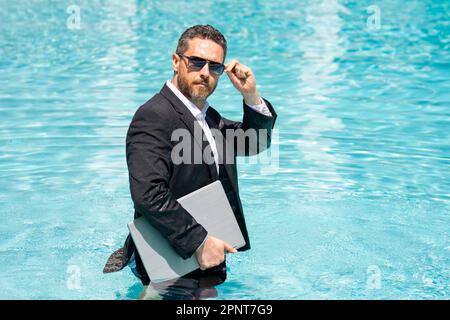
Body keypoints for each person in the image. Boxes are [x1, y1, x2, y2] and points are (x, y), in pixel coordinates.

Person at [103, 24, 277, 299]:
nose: (205, 73)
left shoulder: (208, 117)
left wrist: (250, 95)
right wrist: (198, 242)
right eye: (196, 62)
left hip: (202, 257)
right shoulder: (154, 115)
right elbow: (147, 193)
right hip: (172, 257)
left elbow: (254, 142)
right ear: (176, 61)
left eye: (215, 67)